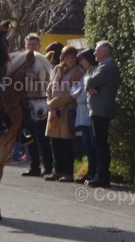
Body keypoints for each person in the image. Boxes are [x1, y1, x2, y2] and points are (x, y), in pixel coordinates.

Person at [44, 46, 84, 182]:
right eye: (67, 57)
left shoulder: (78, 72)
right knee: (54, 142)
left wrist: (52, 104)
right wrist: (51, 106)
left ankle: (67, 172)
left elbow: (71, 95)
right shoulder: (56, 69)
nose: (70, 60)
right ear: (62, 58)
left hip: (66, 111)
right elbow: (49, 88)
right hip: (54, 112)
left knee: (66, 143)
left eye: (73, 57)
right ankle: (57, 170)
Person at [84, 40, 119, 188]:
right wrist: (89, 85)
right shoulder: (103, 66)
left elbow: (91, 80)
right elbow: (90, 81)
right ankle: (100, 174)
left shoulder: (108, 67)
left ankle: (103, 176)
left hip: (102, 110)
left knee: (100, 144)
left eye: (97, 50)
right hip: (98, 109)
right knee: (98, 143)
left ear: (105, 52)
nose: (94, 53)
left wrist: (88, 83)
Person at [20, 33, 54, 178]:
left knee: (43, 137)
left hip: (40, 102)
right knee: (29, 136)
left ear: (38, 46)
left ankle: (48, 166)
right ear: (25, 46)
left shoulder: (43, 62)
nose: (31, 47)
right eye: (29, 45)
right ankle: (34, 166)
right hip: (25, 104)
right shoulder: (21, 63)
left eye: (34, 45)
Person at [70, 48, 98, 183]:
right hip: (82, 113)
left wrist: (81, 92)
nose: (81, 62)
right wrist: (82, 91)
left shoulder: (94, 73)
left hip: (89, 112)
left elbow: (82, 96)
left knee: (93, 144)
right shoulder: (85, 74)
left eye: (82, 59)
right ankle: (90, 171)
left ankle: (95, 171)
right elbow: (73, 92)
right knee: (87, 144)